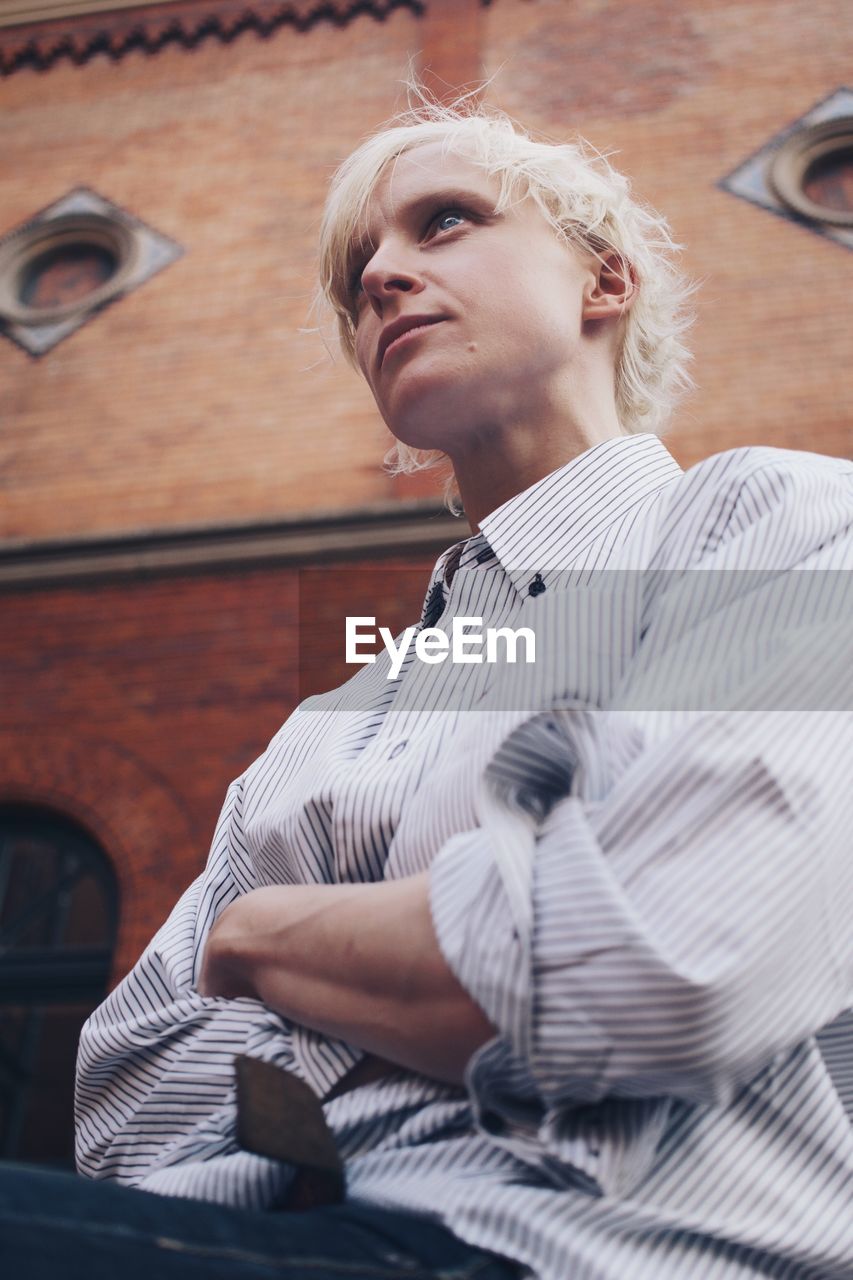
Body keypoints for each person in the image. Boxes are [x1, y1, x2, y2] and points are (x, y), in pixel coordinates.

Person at [3, 98, 852, 1280]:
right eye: (360, 274)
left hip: (582, 1250)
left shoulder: (787, 525)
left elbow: (651, 972)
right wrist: (461, 955)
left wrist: (253, 940)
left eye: (444, 221)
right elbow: (127, 1093)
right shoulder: (326, 720)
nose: (384, 279)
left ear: (602, 283)